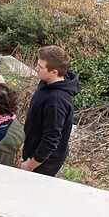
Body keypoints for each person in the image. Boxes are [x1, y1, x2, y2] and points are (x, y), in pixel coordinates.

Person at [21, 46, 79, 176]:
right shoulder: (47, 82)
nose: (36, 68)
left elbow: (51, 139)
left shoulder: (56, 102)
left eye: (40, 67)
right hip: (33, 148)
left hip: (43, 163)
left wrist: (30, 165)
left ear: (54, 72)